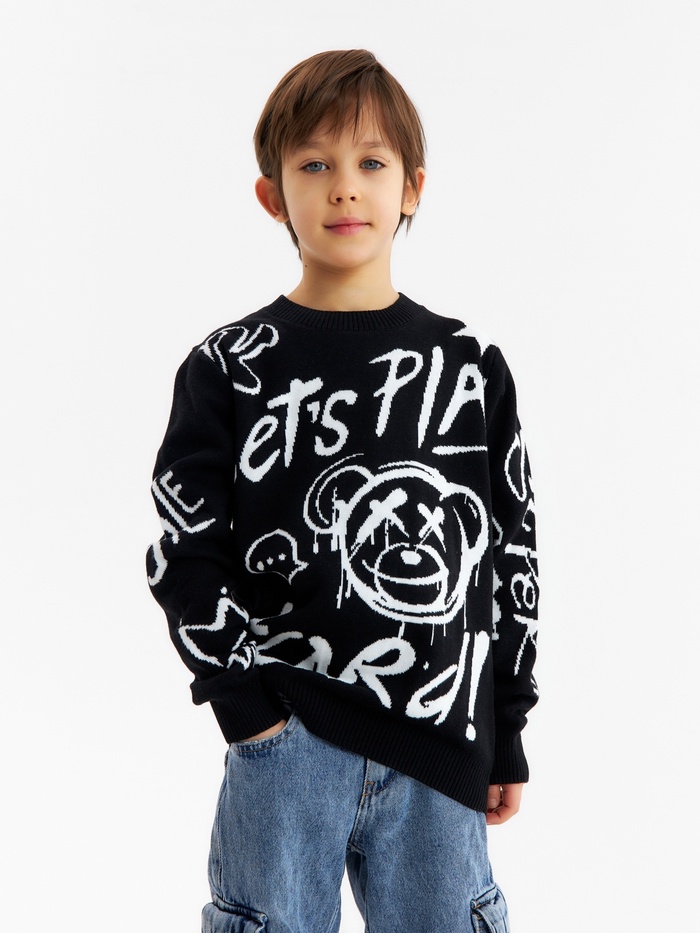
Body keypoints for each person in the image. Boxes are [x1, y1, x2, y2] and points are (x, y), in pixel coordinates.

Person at [147, 48, 539, 933]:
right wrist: (249, 711)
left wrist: (507, 723)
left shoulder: (470, 366)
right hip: (287, 742)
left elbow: (509, 554)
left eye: (370, 162)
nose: (345, 188)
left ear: (413, 188)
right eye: (315, 165)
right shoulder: (228, 366)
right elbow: (184, 550)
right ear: (272, 195)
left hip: (441, 749)